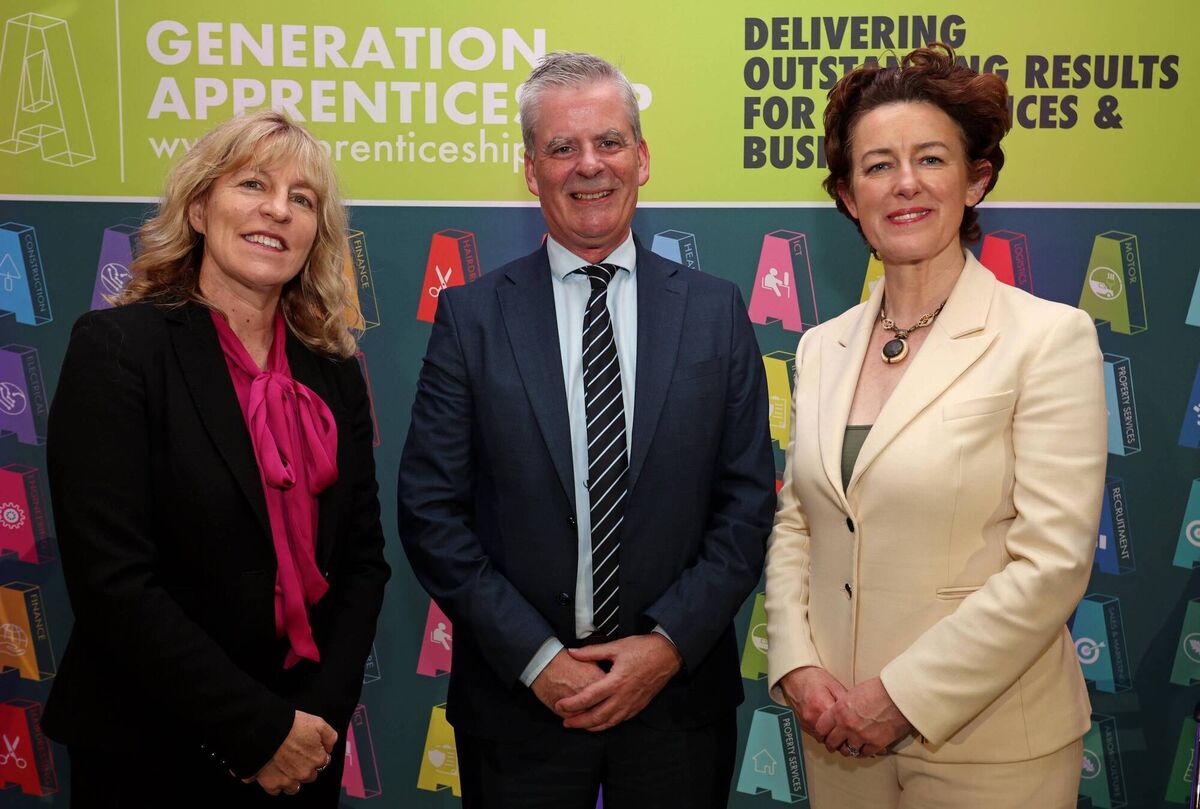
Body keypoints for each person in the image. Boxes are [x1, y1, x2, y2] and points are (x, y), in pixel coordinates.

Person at [398, 51, 775, 809]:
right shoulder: (472, 318)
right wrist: (539, 659)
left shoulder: (716, 310)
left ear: (643, 158)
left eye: (608, 142)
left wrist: (665, 646)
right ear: (530, 170)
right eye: (561, 147)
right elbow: (430, 511)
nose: (589, 165)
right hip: (519, 708)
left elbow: (746, 505)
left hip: (676, 705)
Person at [764, 45, 1106, 808]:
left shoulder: (1048, 338)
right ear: (849, 195)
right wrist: (797, 665)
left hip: (991, 745)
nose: (905, 183)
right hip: (836, 737)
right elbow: (799, 521)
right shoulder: (820, 347)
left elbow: (1050, 563)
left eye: (930, 158)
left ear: (975, 179)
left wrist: (900, 697)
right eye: (878, 165)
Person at [43, 110, 391, 807]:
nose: (277, 210)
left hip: (304, 752)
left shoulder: (334, 372)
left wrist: (313, 722)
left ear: (315, 234)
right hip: (151, 751)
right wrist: (256, 732)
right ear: (200, 209)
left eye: (302, 199)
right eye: (253, 184)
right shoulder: (119, 349)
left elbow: (362, 563)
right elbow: (114, 583)